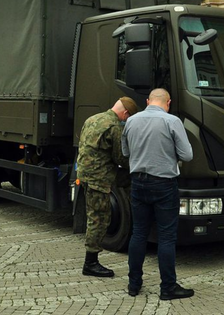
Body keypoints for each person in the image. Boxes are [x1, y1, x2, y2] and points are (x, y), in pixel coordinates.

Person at [121, 88, 194, 300]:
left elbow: (126, 152)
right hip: (164, 184)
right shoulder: (172, 122)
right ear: (168, 102)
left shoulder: (131, 121)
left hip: (138, 183)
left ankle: (134, 284)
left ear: (147, 101)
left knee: (139, 233)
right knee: (166, 237)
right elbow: (187, 155)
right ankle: (168, 287)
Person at [77, 96, 138, 277]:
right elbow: (121, 158)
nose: (127, 121)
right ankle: (90, 263)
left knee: (94, 215)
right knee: (99, 218)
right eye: (129, 118)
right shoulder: (114, 127)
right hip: (99, 179)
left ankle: (91, 260)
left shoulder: (93, 119)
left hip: (86, 175)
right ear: (125, 113)